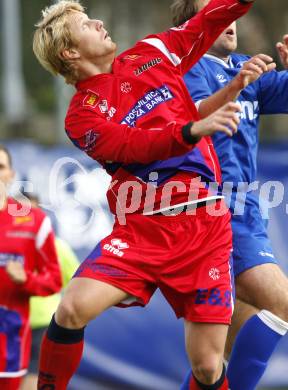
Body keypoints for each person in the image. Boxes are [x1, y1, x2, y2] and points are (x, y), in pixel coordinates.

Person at [32, 1, 256, 389]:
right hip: (142, 231)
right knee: (71, 309)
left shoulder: (152, 52)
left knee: (206, 366)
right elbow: (132, 145)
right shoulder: (81, 115)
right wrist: (192, 131)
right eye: (86, 24)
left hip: (204, 227)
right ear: (69, 52)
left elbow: (209, 18)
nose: (99, 22)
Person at [171, 1, 288, 389]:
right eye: (217, 11)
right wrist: (238, 84)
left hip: (245, 211)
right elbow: (201, 116)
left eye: (231, 11)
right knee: (279, 305)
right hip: (216, 208)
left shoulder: (241, 66)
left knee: (217, 356)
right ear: (196, 23)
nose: (231, 21)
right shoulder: (185, 68)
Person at [0, 145, 62, 390]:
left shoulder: (34, 220)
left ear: (11, 175)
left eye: (1, 166)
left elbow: (55, 280)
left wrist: (25, 279)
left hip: (9, 341)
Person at [17, 194, 79, 390]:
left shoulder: (57, 246)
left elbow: (77, 281)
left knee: (33, 377)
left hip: (42, 324)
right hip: (10, 322)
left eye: (32, 212)